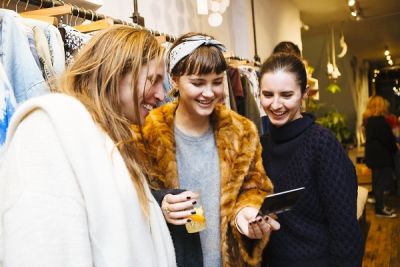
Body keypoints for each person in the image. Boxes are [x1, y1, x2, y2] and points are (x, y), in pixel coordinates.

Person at [0, 26, 176, 267]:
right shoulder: (47, 128)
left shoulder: (112, 139)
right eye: (152, 81)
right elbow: (43, 249)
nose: (160, 95)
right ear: (115, 72)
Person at [138, 33, 280, 267]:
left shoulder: (242, 132)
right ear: (174, 80)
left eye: (217, 81)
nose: (209, 93)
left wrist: (246, 211)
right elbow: (135, 196)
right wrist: (161, 205)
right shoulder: (147, 133)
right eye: (197, 83)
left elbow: (255, 187)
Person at [259, 52, 363, 266]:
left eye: (286, 95)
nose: (275, 105)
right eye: (268, 94)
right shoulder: (259, 145)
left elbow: (345, 230)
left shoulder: (321, 143)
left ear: (304, 93)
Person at [363, 95, 397, 218]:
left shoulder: (369, 121)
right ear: (381, 106)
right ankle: (380, 209)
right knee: (381, 184)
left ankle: (380, 206)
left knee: (377, 183)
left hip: (373, 156)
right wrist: (395, 148)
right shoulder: (381, 122)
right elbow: (389, 140)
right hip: (382, 157)